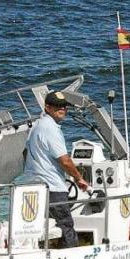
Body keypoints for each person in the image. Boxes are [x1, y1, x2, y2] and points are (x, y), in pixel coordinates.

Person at [23, 90, 89, 248]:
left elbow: (25, 153)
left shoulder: (36, 126)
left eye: (64, 106)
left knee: (41, 228)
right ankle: (71, 258)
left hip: (34, 186)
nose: (62, 109)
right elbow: (65, 161)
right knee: (65, 227)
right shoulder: (51, 128)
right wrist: (79, 178)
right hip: (53, 188)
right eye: (57, 106)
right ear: (47, 107)